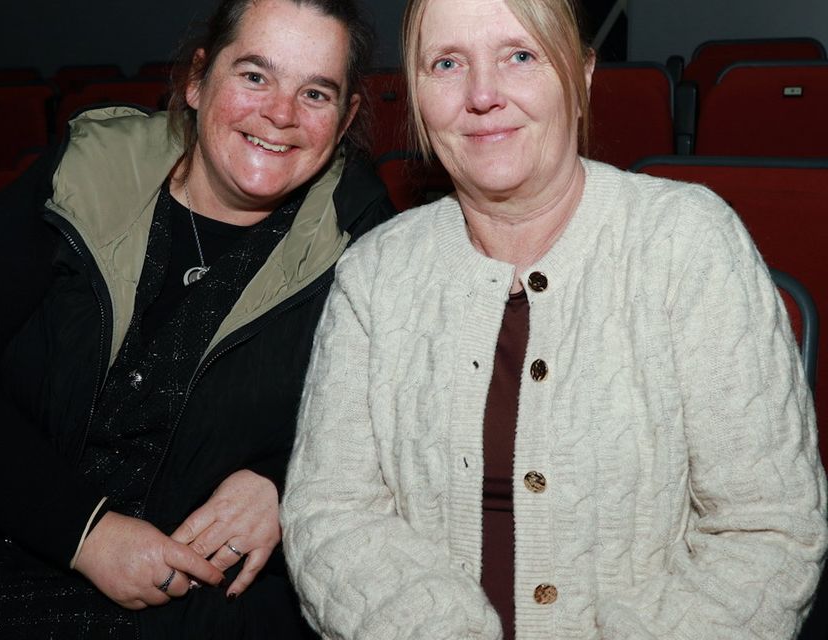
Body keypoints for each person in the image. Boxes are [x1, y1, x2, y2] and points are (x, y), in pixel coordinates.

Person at [281, 0, 827, 637]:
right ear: (417, 93)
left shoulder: (689, 243)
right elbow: (331, 513)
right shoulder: (373, 273)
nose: (482, 94)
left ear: (583, 76)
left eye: (520, 55)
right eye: (447, 62)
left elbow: (767, 528)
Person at [0, 0, 393, 637]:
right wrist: (85, 534)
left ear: (346, 119)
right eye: (255, 75)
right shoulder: (83, 176)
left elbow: (381, 424)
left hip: (185, 600)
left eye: (316, 92)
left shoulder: (362, 240)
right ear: (198, 80)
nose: (280, 113)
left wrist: (282, 485)